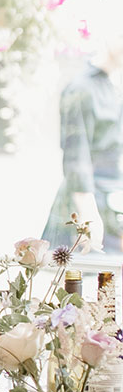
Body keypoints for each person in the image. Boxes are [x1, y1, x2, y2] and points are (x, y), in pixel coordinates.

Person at [43, 41, 123, 252]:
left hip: (111, 201)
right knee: (82, 269)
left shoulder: (112, 86)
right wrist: (89, 214)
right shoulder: (81, 89)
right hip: (88, 203)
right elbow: (76, 155)